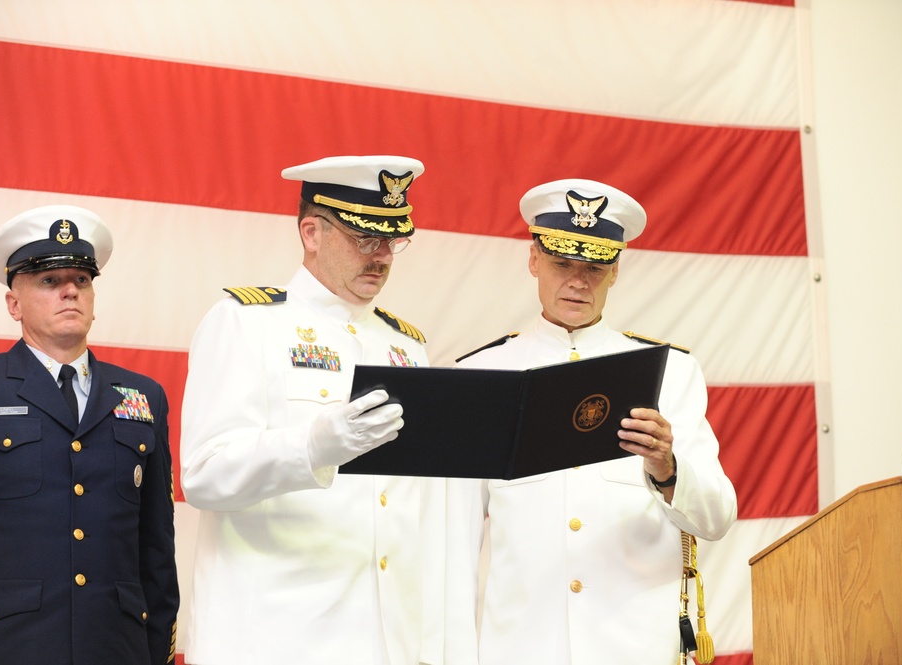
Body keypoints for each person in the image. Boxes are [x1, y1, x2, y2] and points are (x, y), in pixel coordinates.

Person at [447, 179, 738, 664]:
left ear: (616, 271)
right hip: (521, 647)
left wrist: (667, 467)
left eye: (595, 268)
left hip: (633, 647)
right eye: (563, 263)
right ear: (534, 259)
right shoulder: (482, 375)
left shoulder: (671, 372)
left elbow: (716, 518)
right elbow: (454, 544)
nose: (578, 281)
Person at [180, 155, 443, 665]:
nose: (382, 257)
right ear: (311, 233)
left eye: (392, 241)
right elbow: (203, 477)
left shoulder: (405, 346)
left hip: (386, 638)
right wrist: (312, 446)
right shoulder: (246, 323)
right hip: (279, 638)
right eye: (365, 238)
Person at [0, 205, 179, 665]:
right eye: (50, 281)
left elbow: (157, 548)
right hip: (5, 649)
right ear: (14, 303)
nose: (70, 290)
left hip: (118, 648)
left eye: (82, 280)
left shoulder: (144, 395)